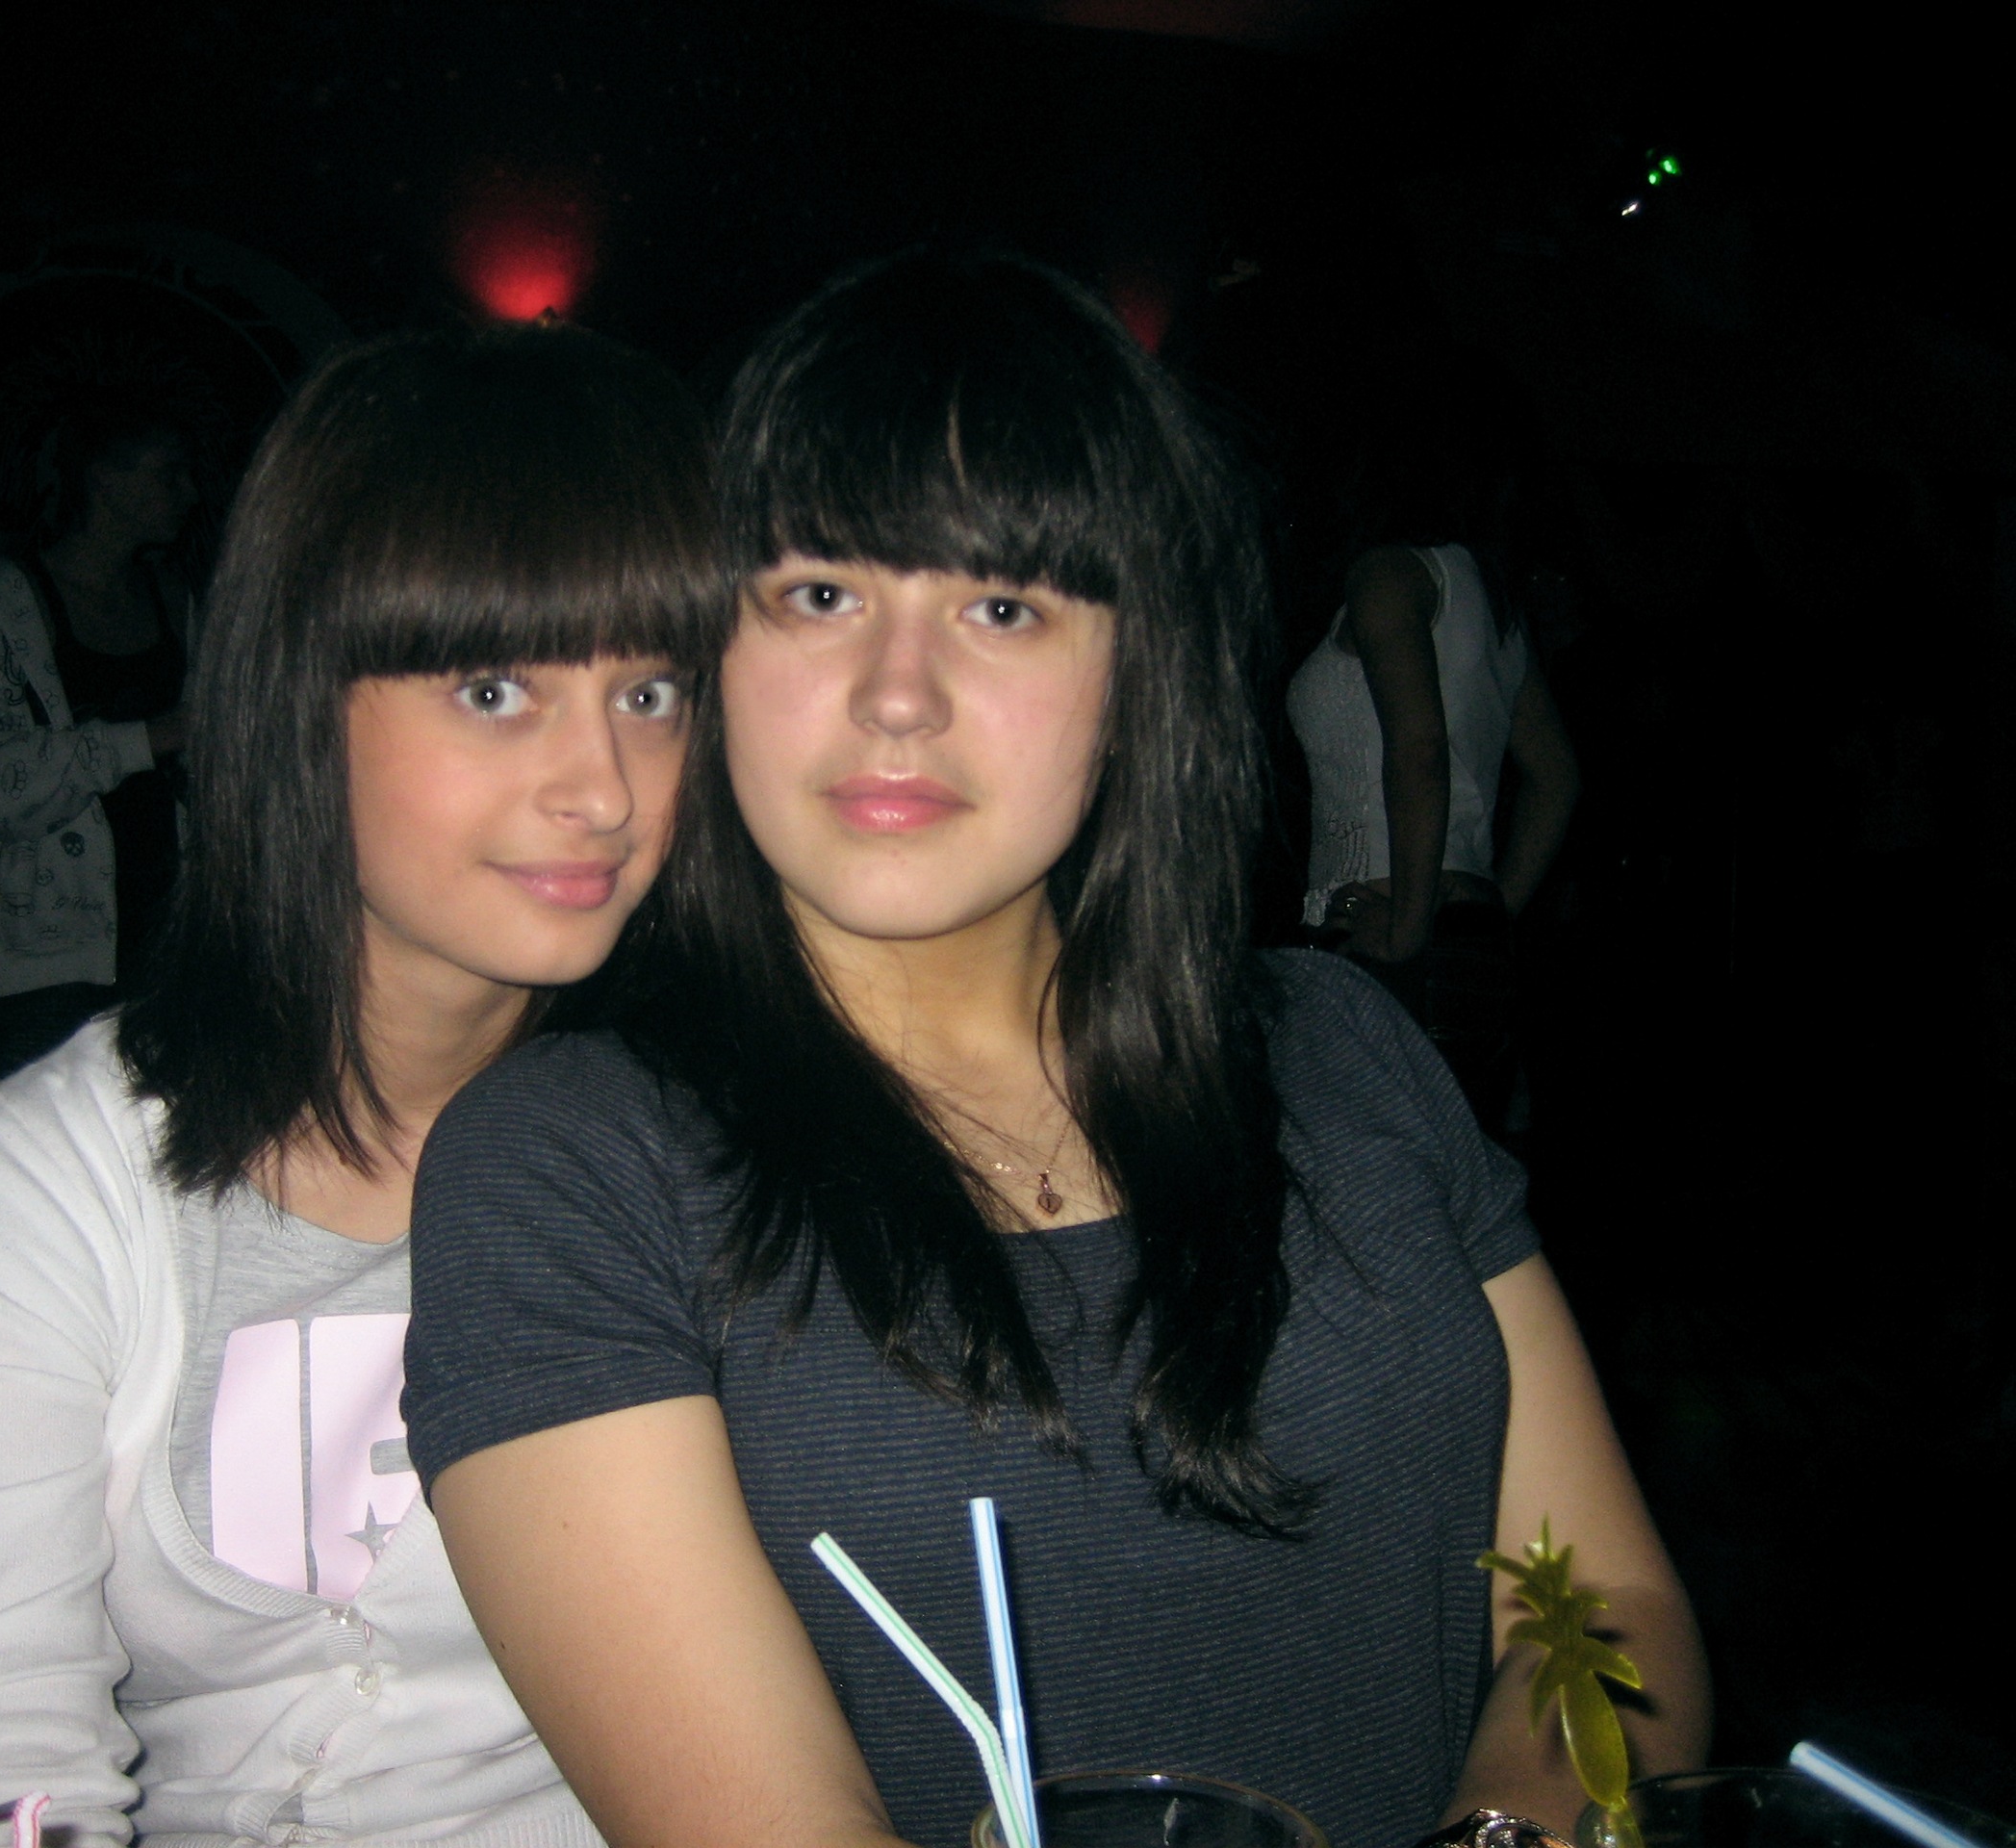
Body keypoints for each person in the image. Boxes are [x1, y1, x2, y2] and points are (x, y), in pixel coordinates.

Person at [399, 253, 1709, 1848]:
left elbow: (1607, 1603)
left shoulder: (1342, 1044)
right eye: (821, 595)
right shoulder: (568, 1171)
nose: (897, 697)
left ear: (1138, 672)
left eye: (1004, 606)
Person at [0, 321, 724, 1848]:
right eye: (495, 690)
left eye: (651, 693)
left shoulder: (709, 1147)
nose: (603, 788)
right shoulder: (64, 1181)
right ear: (296, 698)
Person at [0, 375, 203, 1083]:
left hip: (170, 949)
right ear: (103, 477)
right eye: (169, 473)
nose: (190, 491)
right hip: (50, 969)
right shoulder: (2, 602)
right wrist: (151, 737)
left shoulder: (173, 596)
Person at [1285, 513, 1582, 1132]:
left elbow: (1420, 750)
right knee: (1447, 1172)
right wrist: (1486, 922)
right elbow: (1556, 777)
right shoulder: (1488, 598)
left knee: (1357, 1178)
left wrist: (1408, 931)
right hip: (1457, 943)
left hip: (1386, 938)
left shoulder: (1389, 574)